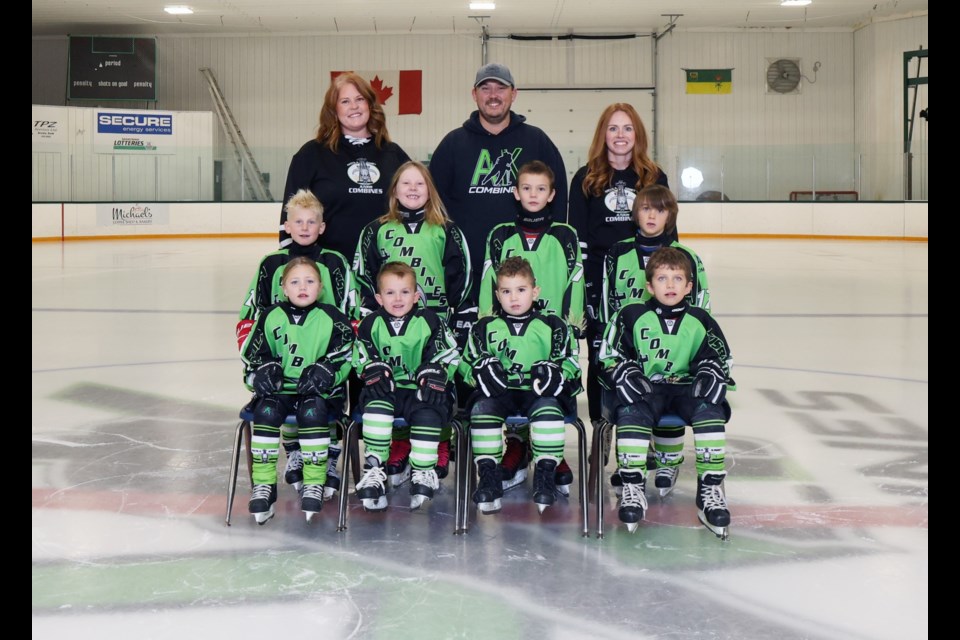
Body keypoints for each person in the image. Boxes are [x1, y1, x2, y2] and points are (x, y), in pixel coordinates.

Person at [597, 246, 733, 538]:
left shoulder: (701, 319)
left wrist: (712, 370)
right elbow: (608, 354)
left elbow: (721, 357)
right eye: (661, 279)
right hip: (649, 389)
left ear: (689, 286)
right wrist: (623, 370)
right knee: (630, 409)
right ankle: (633, 485)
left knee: (712, 408)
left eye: (677, 279)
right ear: (649, 285)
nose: (670, 285)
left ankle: (710, 489)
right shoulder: (630, 315)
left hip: (685, 388)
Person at [429, 62, 568, 340]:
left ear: (513, 94)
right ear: (474, 94)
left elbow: (558, 196)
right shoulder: (453, 144)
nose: (493, 95)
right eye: (486, 88)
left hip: (524, 276)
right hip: (469, 274)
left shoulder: (536, 141)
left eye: (500, 88)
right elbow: (434, 208)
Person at [237, 188, 358, 501]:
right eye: (298, 221)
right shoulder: (270, 264)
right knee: (279, 399)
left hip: (325, 366)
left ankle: (328, 458)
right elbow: (250, 320)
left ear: (322, 227)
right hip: (282, 369)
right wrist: (258, 364)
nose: (304, 227)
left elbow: (353, 317)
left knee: (323, 405)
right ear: (286, 226)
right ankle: (294, 450)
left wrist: (335, 365)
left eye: (311, 221)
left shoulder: (335, 263)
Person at [353, 160, 472, 480]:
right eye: (406, 183)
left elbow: (461, 275)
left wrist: (458, 316)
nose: (413, 189)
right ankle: (401, 444)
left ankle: (441, 443)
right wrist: (369, 314)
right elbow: (363, 275)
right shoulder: (376, 230)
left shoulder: (446, 229)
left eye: (420, 184)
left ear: (429, 190)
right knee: (396, 382)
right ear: (394, 190)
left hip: (435, 323)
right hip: (389, 321)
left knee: (438, 386)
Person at [476, 160, 584, 496]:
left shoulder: (566, 235)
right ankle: (518, 448)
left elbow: (576, 279)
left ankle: (551, 453)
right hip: (508, 326)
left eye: (540, 189)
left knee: (552, 389)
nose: (533, 194)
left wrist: (573, 323)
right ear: (515, 192)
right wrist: (485, 322)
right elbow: (487, 281)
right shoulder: (500, 234)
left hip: (551, 331)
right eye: (526, 188)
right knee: (508, 382)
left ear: (552, 194)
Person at [601, 184, 710, 495]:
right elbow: (608, 305)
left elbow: (702, 310)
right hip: (630, 352)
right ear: (636, 213)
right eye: (646, 208)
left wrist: (691, 352)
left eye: (660, 209)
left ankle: (667, 461)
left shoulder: (688, 257)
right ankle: (629, 465)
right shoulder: (617, 252)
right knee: (630, 400)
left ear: (670, 215)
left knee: (672, 388)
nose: (652, 215)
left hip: (674, 349)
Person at [567, 103, 670, 427]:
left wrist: (667, 279)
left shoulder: (653, 176)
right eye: (613, 128)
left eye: (627, 128)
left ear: (637, 134)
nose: (620, 135)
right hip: (600, 282)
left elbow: (669, 233)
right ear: (603, 134)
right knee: (600, 358)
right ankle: (602, 427)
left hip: (644, 280)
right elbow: (578, 238)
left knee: (648, 353)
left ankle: (648, 427)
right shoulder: (586, 178)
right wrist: (585, 291)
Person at [239, 257, 355, 524]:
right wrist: (259, 374)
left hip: (321, 394)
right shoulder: (269, 316)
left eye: (310, 281)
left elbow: (349, 353)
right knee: (265, 412)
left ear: (321, 287)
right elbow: (251, 356)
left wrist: (328, 370)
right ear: (283, 287)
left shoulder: (332, 317)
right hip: (282, 392)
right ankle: (264, 485)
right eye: (295, 281)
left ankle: (315, 481)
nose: (303, 286)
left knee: (313, 412)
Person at [463, 256, 581, 515]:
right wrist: (478, 371)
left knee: (550, 408)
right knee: (481, 409)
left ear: (535, 291)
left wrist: (558, 373)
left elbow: (572, 362)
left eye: (521, 290)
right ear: (497, 294)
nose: (514, 298)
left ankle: (545, 475)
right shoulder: (483, 327)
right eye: (506, 291)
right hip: (502, 392)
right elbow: (466, 363)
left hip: (537, 394)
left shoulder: (554, 325)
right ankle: (489, 477)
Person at [352, 262, 461, 511]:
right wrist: (370, 368)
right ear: (379, 298)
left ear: (416, 296)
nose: (398, 299)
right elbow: (359, 355)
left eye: (404, 292)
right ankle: (374, 468)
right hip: (388, 391)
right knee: (375, 403)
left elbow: (450, 352)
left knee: (429, 406)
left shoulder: (431, 321)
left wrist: (438, 370)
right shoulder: (370, 325)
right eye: (390, 293)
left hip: (418, 391)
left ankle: (423, 470)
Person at [279, 72, 411, 256]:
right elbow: (291, 212)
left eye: (360, 99)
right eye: (345, 101)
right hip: (329, 269)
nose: (354, 106)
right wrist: (292, 262)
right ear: (334, 110)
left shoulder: (393, 154)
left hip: (384, 269)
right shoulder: (311, 154)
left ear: (370, 105)